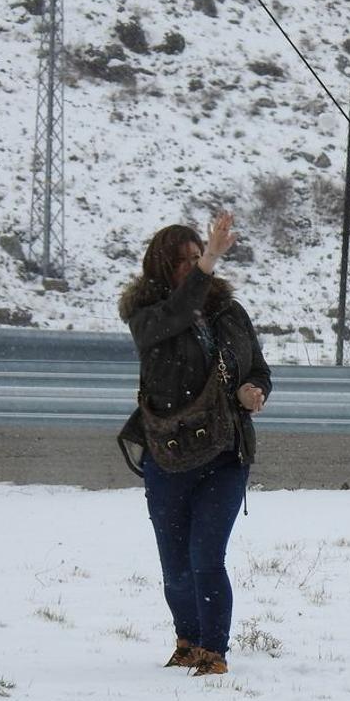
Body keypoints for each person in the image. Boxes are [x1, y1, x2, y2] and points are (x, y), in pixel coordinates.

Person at [117, 213, 271, 677]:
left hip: (225, 452)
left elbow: (258, 367)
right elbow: (180, 312)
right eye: (182, 260)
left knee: (206, 556)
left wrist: (256, 391)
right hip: (169, 454)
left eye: (196, 257)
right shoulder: (147, 317)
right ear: (161, 268)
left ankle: (213, 651)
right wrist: (209, 261)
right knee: (176, 565)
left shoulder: (229, 313)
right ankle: (187, 641)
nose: (193, 265)